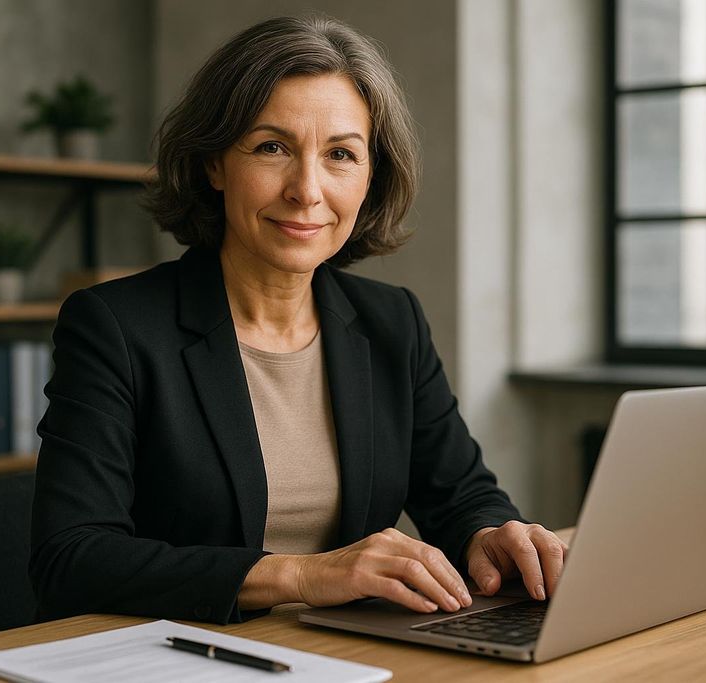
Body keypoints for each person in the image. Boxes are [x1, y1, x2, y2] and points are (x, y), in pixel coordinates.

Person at [29, 15, 566, 625]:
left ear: (370, 177)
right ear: (214, 165)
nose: (307, 190)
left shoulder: (393, 322)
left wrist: (491, 535)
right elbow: (70, 559)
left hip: (348, 653)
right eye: (272, 147)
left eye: (340, 154)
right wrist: (304, 574)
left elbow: (461, 493)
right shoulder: (115, 327)